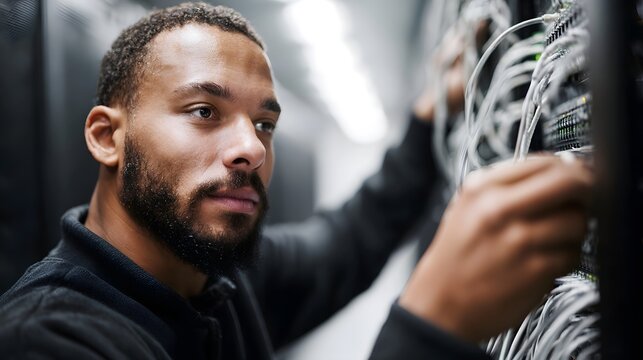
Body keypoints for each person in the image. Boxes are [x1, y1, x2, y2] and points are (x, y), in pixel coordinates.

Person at [0, 3, 593, 359]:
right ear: (108, 136)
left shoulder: (215, 280)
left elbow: (350, 239)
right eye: (204, 111)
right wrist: (431, 329)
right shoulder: (50, 340)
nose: (251, 148)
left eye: (264, 124)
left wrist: (425, 116)